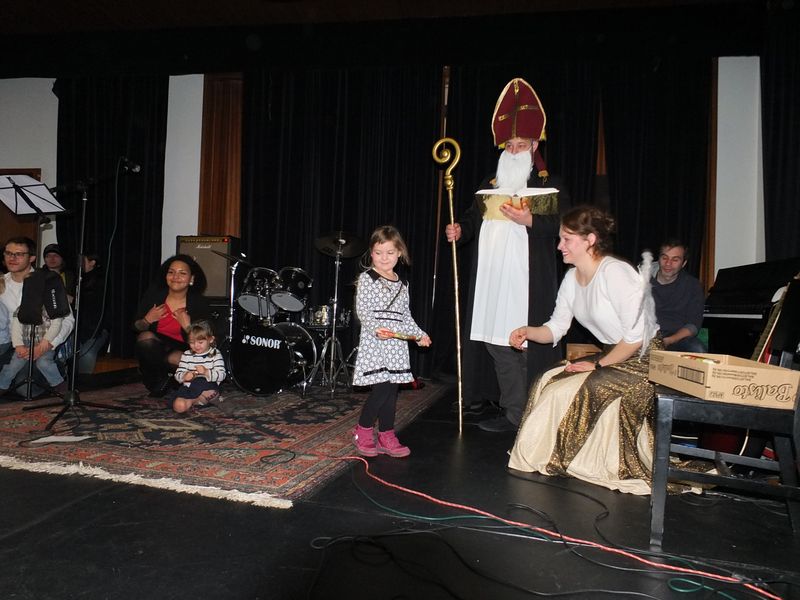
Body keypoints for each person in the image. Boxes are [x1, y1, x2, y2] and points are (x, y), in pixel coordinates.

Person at [507, 206, 662, 495]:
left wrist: (599, 365)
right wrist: (529, 331)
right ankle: (546, 455)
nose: (559, 246)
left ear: (590, 240)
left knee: (586, 386)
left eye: (567, 239)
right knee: (549, 379)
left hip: (645, 359)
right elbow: (556, 327)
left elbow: (637, 336)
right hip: (614, 354)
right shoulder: (571, 278)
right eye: (560, 239)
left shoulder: (615, 272)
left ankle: (569, 459)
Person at [445, 77, 569, 432]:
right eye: (509, 145)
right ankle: (514, 412)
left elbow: (566, 226)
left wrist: (530, 220)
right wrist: (460, 230)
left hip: (526, 281)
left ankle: (531, 416)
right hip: (491, 279)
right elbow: (472, 218)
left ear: (534, 146)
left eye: (521, 145)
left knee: (526, 344)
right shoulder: (489, 183)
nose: (514, 151)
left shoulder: (548, 184)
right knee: (497, 344)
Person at [351, 226, 432, 458]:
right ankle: (363, 430)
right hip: (376, 342)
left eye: (389, 252)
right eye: (378, 253)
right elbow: (363, 311)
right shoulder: (367, 278)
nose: (384, 258)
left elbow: (406, 317)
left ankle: (386, 435)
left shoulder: (403, 284)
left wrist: (419, 334)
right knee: (381, 389)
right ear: (371, 253)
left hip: (396, 346)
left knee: (391, 392)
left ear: (399, 253)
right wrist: (377, 329)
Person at [0, 237, 74, 396]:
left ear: (32, 258)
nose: (12, 258)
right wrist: (17, 345)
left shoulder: (48, 281)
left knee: (25, 389)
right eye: (8, 253)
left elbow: (67, 320)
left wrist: (45, 345)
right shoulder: (1, 283)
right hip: (15, 344)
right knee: (10, 374)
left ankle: (58, 370)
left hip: (44, 343)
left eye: (19, 254)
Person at [133, 254, 211, 397]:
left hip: (183, 349)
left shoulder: (199, 302)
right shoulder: (154, 296)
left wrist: (187, 326)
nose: (175, 277)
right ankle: (161, 380)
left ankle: (171, 382)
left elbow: (204, 343)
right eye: (171, 272)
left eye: (182, 273)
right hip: (156, 349)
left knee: (183, 361)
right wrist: (147, 319)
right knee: (146, 338)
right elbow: (136, 327)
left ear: (192, 279)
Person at [0, 284, 66, 396]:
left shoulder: (52, 309)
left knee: (44, 363)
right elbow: (16, 327)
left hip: (44, 343)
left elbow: (57, 325)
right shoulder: (22, 308)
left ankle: (59, 384)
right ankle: (2, 385)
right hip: (25, 343)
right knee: (13, 365)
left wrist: (46, 341)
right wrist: (18, 345)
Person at [651, 239, 707, 353]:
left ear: (684, 263)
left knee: (698, 349)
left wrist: (669, 340)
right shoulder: (641, 281)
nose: (668, 263)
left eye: (675, 260)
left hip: (676, 338)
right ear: (659, 259)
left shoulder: (692, 285)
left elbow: (693, 325)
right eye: (664, 258)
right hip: (644, 336)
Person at [172, 319, 226, 413]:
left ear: (211, 339)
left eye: (200, 342)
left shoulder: (215, 354)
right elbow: (178, 375)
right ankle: (196, 401)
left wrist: (206, 372)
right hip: (189, 389)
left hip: (208, 387)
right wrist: (184, 376)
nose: (196, 346)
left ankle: (200, 399)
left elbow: (222, 375)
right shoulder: (186, 355)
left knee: (204, 385)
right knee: (178, 406)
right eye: (192, 343)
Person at [76, 252, 110, 374]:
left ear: (92, 262)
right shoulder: (78, 278)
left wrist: (72, 299)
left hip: (96, 329)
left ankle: (84, 381)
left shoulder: (101, 281)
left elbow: (94, 305)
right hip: (78, 328)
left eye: (82, 260)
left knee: (87, 354)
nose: (79, 264)